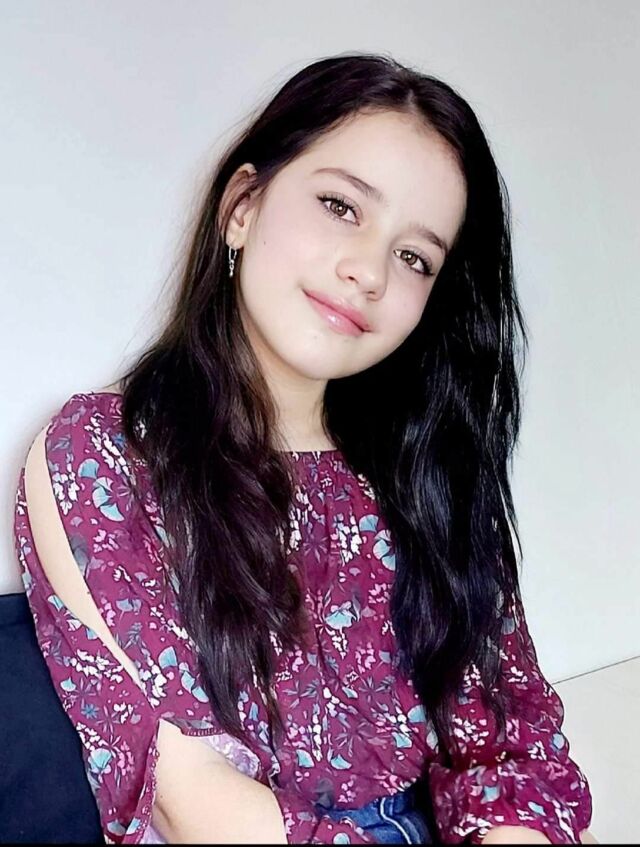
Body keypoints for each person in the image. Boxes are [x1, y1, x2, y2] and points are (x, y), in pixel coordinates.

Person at [13, 52, 596, 844]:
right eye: (341, 206)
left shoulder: (428, 474)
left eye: (415, 257)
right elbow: (189, 796)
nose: (369, 273)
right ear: (242, 206)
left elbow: (511, 753)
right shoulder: (103, 454)